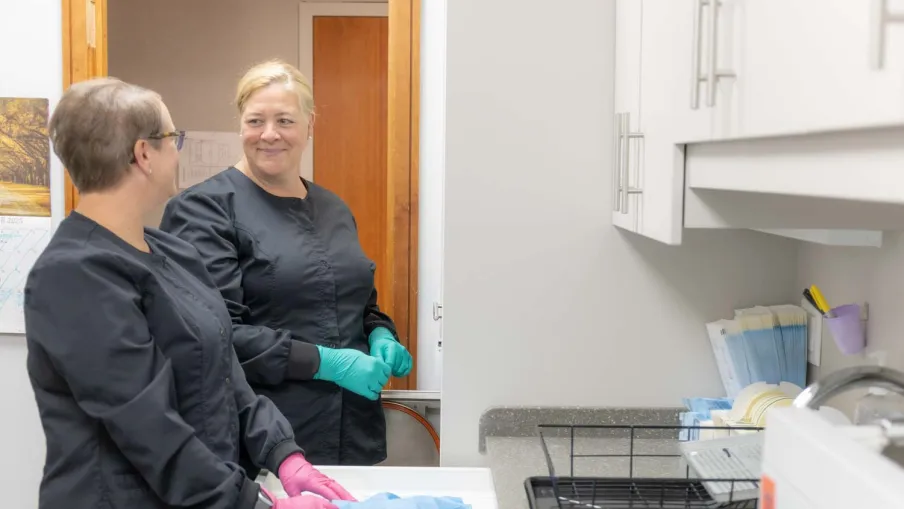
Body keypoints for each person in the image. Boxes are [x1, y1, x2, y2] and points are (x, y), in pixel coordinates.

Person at [24, 77, 358, 509]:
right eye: (172, 138)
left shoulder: (171, 252)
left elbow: (224, 370)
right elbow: (148, 428)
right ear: (144, 154)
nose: (177, 150)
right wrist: (254, 504)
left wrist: (281, 452)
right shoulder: (74, 275)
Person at [159, 59, 413, 468]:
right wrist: (325, 362)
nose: (269, 134)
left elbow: (356, 304)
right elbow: (213, 335)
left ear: (310, 124)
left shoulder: (334, 208)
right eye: (255, 120)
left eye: (285, 120)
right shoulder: (203, 210)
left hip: (355, 436)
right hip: (267, 441)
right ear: (240, 125)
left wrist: (381, 333)